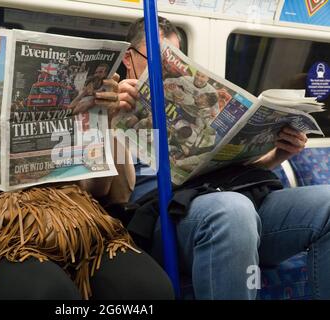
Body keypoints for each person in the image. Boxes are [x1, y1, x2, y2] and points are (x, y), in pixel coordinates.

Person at [0, 51, 174, 300]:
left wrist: (106, 123)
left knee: (150, 290)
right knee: (49, 294)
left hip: (77, 225)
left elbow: (106, 191)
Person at [117, 16, 330, 299]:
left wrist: (279, 154)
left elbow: (225, 171)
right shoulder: (110, 105)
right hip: (163, 216)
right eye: (157, 60)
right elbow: (111, 197)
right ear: (129, 58)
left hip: (218, 193)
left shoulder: (190, 101)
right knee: (233, 209)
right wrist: (109, 123)